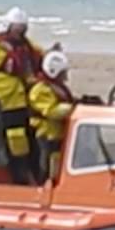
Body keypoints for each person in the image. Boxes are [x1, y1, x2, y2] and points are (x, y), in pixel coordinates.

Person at [0, 6, 62, 184]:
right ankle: (19, 176)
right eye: (16, 29)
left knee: (33, 142)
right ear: (8, 27)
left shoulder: (28, 48)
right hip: (6, 103)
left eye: (22, 29)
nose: (20, 33)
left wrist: (53, 53)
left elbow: (42, 59)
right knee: (15, 143)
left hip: (26, 102)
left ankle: (34, 175)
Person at [28, 51, 75, 183]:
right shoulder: (40, 90)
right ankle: (43, 185)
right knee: (47, 166)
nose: (65, 76)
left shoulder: (55, 87)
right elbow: (51, 110)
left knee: (57, 164)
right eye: (63, 73)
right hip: (46, 135)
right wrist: (73, 108)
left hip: (58, 133)